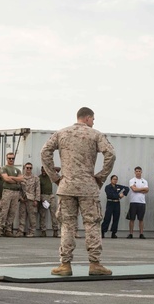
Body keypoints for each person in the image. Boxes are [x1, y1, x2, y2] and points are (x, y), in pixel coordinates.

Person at [40, 107, 116, 276]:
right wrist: (101, 177)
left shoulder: (61, 133)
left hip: (66, 186)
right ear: (87, 118)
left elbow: (44, 152)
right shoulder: (95, 134)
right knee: (92, 224)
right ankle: (95, 263)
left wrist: (54, 176)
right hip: (88, 187)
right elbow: (110, 153)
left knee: (67, 225)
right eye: (93, 119)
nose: (94, 122)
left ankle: (65, 265)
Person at [0, 153, 24, 237]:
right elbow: (6, 179)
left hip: (16, 192)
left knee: (12, 211)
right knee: (4, 210)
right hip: (7, 191)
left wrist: (13, 178)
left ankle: (8, 229)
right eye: (9, 158)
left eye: (12, 158)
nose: (11, 160)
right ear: (6, 159)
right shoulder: (4, 168)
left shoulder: (17, 170)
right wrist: (16, 180)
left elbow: (21, 179)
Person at [18, 163, 40, 237]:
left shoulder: (35, 178)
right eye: (27, 168)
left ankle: (32, 232)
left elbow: (37, 189)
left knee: (32, 216)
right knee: (22, 215)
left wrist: (36, 200)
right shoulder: (21, 178)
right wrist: (20, 197)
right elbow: (18, 189)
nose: (28, 169)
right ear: (24, 168)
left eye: (30, 168)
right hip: (23, 199)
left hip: (31, 199)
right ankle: (20, 231)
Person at [126, 167, 148, 239]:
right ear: (134, 172)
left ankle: (141, 233)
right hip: (133, 202)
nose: (138, 172)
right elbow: (133, 189)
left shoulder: (144, 181)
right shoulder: (132, 180)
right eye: (137, 171)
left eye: (139, 171)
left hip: (142, 202)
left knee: (141, 219)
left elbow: (147, 190)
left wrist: (137, 189)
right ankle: (131, 233)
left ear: (141, 172)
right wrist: (142, 189)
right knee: (132, 219)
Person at [38, 165, 58, 237]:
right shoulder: (39, 178)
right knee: (42, 214)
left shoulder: (50, 176)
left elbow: (58, 170)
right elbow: (38, 189)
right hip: (43, 196)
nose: (43, 172)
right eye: (42, 170)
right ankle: (43, 231)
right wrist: (40, 198)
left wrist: (50, 168)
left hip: (51, 196)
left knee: (54, 213)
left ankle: (55, 230)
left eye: (45, 170)